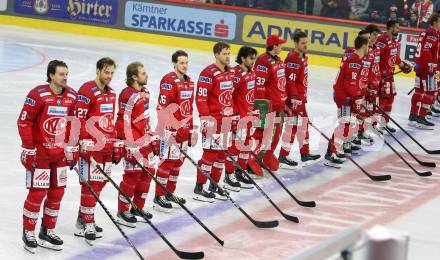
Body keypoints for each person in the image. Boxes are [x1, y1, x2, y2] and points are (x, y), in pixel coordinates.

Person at [18, 60, 78, 253]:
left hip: (59, 155)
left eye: (67, 74)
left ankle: (47, 230)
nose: (65, 77)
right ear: (51, 75)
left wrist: (72, 146)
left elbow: (73, 123)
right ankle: (28, 231)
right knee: (37, 193)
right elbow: (24, 121)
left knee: (57, 193)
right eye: (61, 74)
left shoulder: (72, 96)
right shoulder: (38, 94)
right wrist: (28, 148)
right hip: (41, 154)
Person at [75, 57, 123, 244]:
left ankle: (82, 217)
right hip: (92, 146)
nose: (109, 76)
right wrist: (83, 142)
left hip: (106, 147)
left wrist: (116, 142)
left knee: (100, 183)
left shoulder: (111, 93)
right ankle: (87, 222)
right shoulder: (86, 90)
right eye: (106, 72)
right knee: (91, 185)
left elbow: (109, 121)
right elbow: (78, 118)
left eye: (112, 73)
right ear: (98, 71)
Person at [115, 62, 157, 226]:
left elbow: (145, 117)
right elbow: (122, 121)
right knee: (132, 177)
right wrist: (127, 144)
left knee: (148, 173)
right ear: (133, 76)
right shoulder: (127, 95)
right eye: (142, 73)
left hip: (145, 140)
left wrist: (151, 135)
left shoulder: (145, 92)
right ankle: (122, 210)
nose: (146, 75)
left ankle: (137, 207)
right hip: (133, 142)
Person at [154, 50, 196, 211]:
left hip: (184, 131)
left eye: (186, 62)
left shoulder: (190, 82)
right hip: (170, 131)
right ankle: (159, 196)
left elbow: (188, 109)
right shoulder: (168, 81)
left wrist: (190, 129)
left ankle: (169, 193)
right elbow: (163, 108)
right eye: (181, 63)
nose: (184, 66)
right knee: (167, 163)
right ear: (174, 64)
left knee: (178, 163)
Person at [194, 42, 236, 202]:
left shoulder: (231, 72)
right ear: (217, 55)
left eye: (229, 53)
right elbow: (201, 98)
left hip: (226, 121)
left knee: (221, 155)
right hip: (213, 121)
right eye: (225, 53)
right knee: (209, 155)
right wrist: (205, 119)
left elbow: (229, 97)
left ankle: (214, 185)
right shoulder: (208, 73)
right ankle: (199, 186)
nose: (228, 56)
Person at [325, 36, 369, 168]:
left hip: (346, 97)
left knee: (347, 124)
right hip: (344, 99)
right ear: (363, 46)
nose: (369, 48)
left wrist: (362, 94)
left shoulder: (355, 60)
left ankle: (332, 150)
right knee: (345, 124)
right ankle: (332, 153)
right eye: (367, 45)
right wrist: (356, 97)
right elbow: (351, 84)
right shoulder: (355, 61)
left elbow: (355, 84)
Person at [279, 31, 321, 169]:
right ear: (296, 43)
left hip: (300, 98)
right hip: (295, 99)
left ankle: (304, 153)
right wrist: (294, 100)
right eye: (302, 43)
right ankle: (283, 156)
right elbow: (290, 82)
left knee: (302, 125)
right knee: (292, 126)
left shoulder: (302, 57)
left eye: (306, 43)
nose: (305, 45)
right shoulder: (293, 59)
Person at [249, 34, 288, 175]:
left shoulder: (278, 61)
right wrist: (261, 107)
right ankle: (251, 158)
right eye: (280, 45)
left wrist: (285, 103)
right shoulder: (263, 61)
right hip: (268, 106)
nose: (282, 47)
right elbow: (259, 86)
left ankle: (266, 154)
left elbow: (281, 84)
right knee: (262, 133)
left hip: (279, 106)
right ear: (274, 46)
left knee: (275, 134)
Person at [224, 46, 258, 191]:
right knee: (234, 147)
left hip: (248, 116)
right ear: (243, 58)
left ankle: (240, 171)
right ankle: (229, 175)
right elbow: (229, 96)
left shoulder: (252, 73)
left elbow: (252, 94)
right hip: (239, 117)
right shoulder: (236, 74)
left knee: (246, 144)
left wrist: (254, 111)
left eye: (254, 58)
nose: (253, 61)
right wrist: (234, 115)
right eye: (251, 58)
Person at [376, 20, 412, 134]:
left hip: (390, 76)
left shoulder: (395, 42)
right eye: (397, 27)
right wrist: (378, 74)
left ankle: (384, 123)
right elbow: (376, 58)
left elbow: (395, 58)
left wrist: (403, 66)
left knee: (390, 97)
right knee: (382, 99)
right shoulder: (381, 40)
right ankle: (376, 123)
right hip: (381, 76)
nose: (399, 29)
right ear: (390, 28)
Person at [410, 13, 440, 129]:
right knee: (431, 92)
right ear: (435, 22)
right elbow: (426, 50)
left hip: (420, 67)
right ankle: (422, 117)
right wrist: (432, 67)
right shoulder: (433, 33)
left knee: (419, 90)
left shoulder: (424, 32)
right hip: (429, 68)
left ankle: (413, 115)